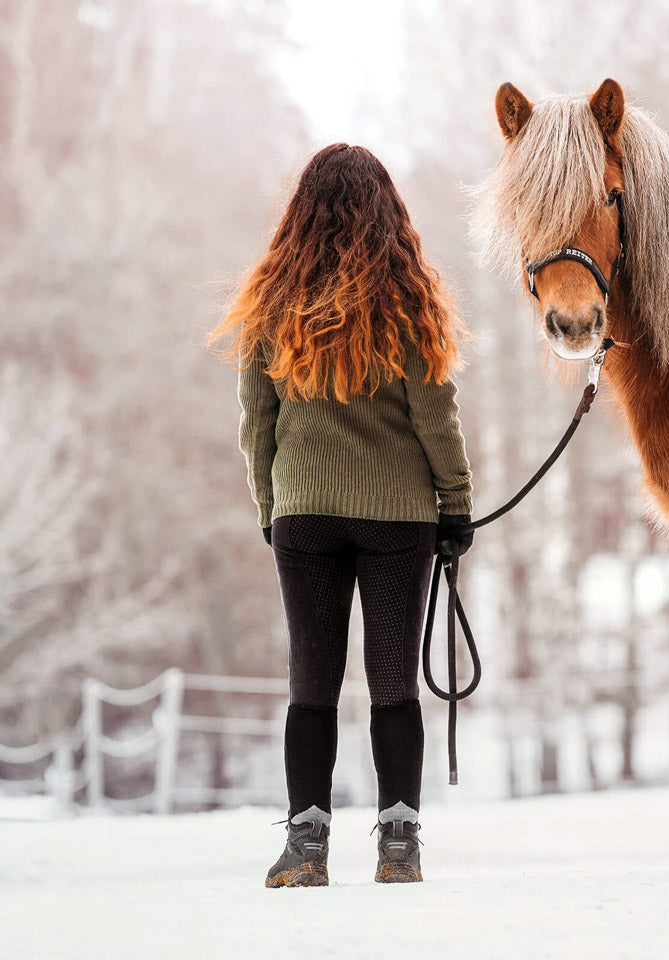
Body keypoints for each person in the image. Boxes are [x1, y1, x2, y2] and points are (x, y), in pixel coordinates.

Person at [212, 143, 474, 887]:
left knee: (312, 682)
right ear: (387, 211)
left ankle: (306, 846)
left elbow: (253, 422)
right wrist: (456, 508)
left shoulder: (272, 300)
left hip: (305, 515)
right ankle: (398, 844)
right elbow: (436, 419)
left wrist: (272, 507)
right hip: (398, 518)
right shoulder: (409, 300)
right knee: (394, 682)